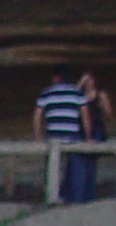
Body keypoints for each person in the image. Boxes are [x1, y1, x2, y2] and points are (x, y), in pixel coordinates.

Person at [35, 65, 96, 204]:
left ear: (55, 78)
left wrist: (38, 136)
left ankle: (52, 197)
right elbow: (85, 116)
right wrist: (88, 137)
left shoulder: (46, 93)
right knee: (77, 167)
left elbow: (37, 116)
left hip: (53, 135)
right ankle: (77, 199)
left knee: (52, 166)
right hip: (72, 134)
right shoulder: (76, 93)